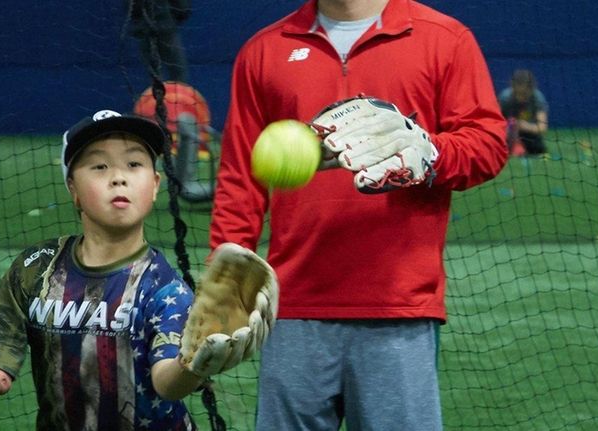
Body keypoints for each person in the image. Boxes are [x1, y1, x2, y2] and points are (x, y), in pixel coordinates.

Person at [209, 1, 508, 430]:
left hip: (399, 305)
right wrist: (225, 285)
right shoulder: (264, 50)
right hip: (293, 306)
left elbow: (487, 144)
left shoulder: (444, 39)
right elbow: (240, 178)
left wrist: (432, 152)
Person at [0, 110, 204, 430]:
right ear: (73, 188)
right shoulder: (37, 268)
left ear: (155, 185)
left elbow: (167, 384)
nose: (119, 177)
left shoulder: (165, 288)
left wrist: (193, 365)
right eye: (100, 166)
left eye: (134, 164)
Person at [128, 0, 190, 82]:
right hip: (164, 27)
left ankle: (160, 92)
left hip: (147, 28)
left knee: (155, 73)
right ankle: (178, 93)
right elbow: (182, 7)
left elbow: (131, 8)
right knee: (177, 69)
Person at [498, 69, 550, 156]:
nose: (520, 98)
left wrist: (523, 125)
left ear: (531, 89)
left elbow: (542, 127)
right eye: (518, 93)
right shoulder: (505, 98)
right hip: (506, 134)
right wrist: (509, 128)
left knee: (538, 148)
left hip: (528, 135)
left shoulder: (537, 98)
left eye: (524, 94)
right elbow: (494, 122)